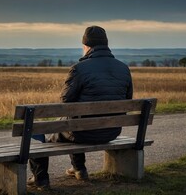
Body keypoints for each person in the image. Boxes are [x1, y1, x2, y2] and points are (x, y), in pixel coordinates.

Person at [27, 25, 134, 189]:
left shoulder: (79, 68)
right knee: (72, 125)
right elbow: (128, 99)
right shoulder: (124, 68)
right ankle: (79, 169)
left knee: (42, 132)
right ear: (106, 45)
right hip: (111, 131)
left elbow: (65, 101)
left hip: (82, 132)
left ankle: (41, 179)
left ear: (87, 46)